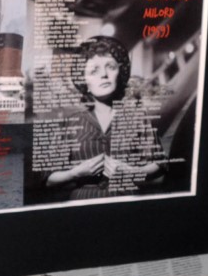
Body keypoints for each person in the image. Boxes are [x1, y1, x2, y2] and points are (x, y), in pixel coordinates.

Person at [45, 36, 164, 199]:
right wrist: (75, 173)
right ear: (84, 82)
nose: (104, 75)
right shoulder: (71, 123)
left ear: (119, 74)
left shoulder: (137, 117)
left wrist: (132, 172)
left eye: (110, 67)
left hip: (125, 202)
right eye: (94, 70)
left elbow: (160, 164)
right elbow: (48, 179)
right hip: (83, 204)